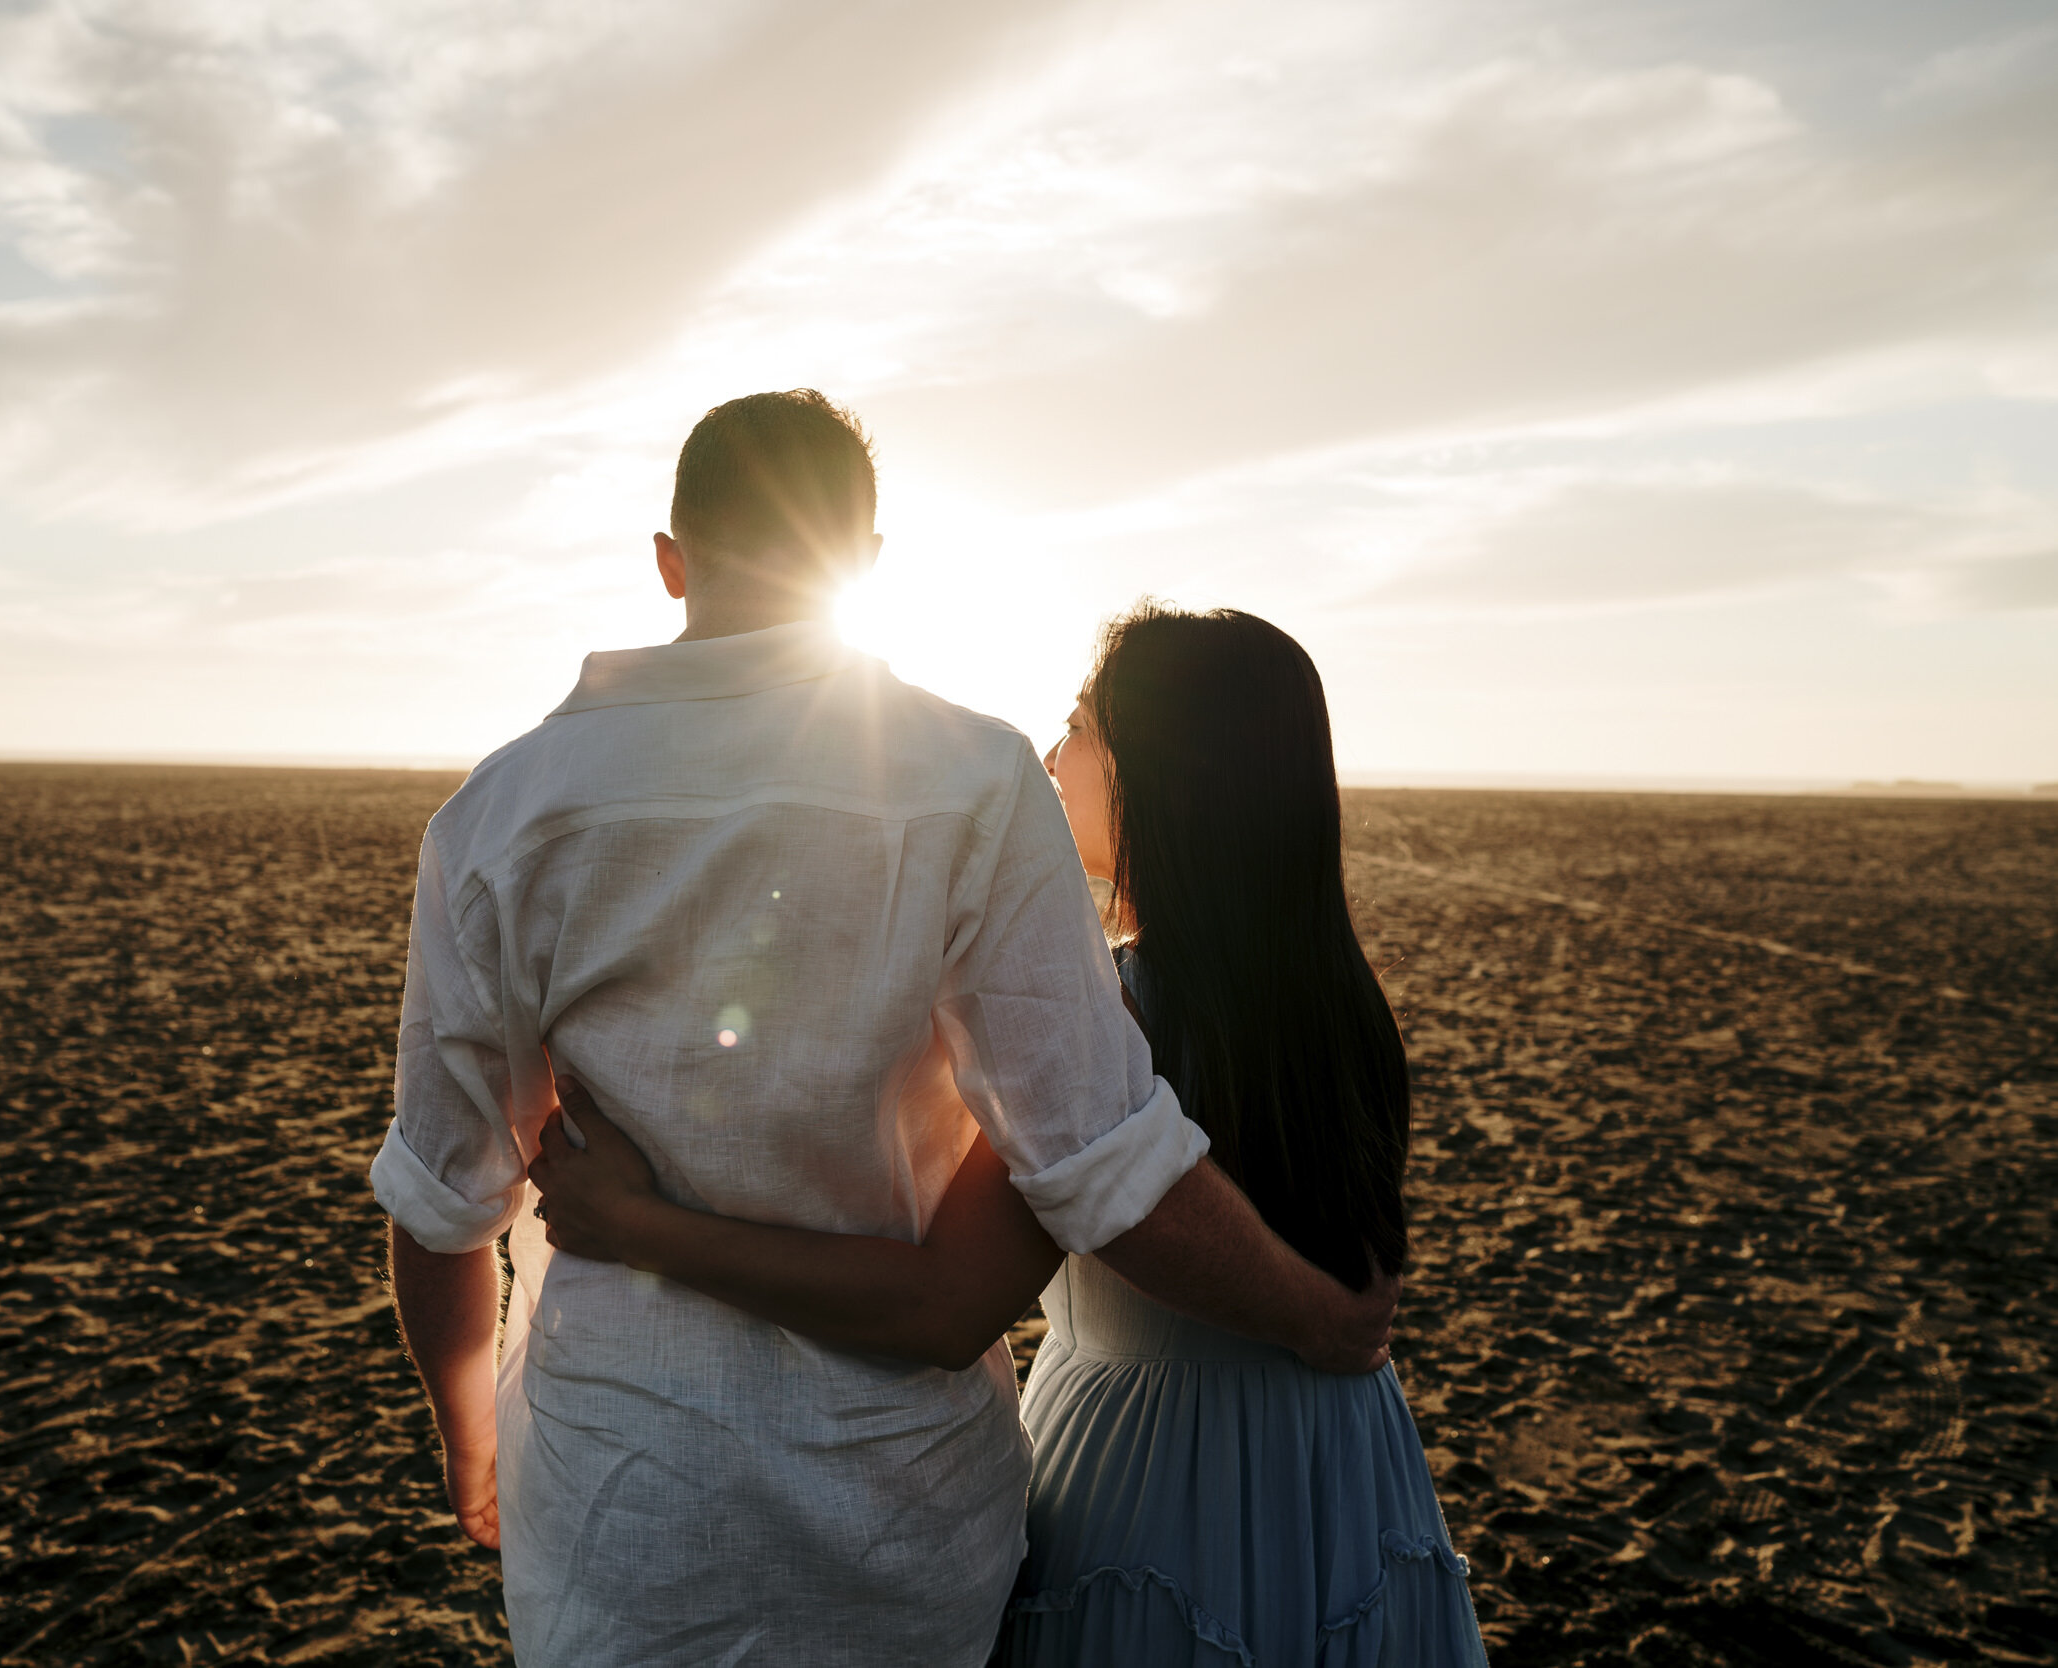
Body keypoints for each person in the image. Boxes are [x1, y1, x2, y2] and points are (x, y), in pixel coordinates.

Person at [371, 391, 1398, 1668]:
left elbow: (442, 1205)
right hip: (895, 1522)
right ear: (861, 564)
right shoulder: (972, 783)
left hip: (622, 1500)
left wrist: (470, 1433)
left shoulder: (499, 814)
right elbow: (1097, 1157)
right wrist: (1312, 1311)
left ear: (669, 561)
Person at [533, 605, 1488, 1666]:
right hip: (1343, 1469)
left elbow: (946, 1302)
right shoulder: (1345, 1003)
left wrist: (635, 1223)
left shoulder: (1111, 1015)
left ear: (1160, 777)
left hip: (1157, 1475)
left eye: (1079, 729)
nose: (1049, 759)